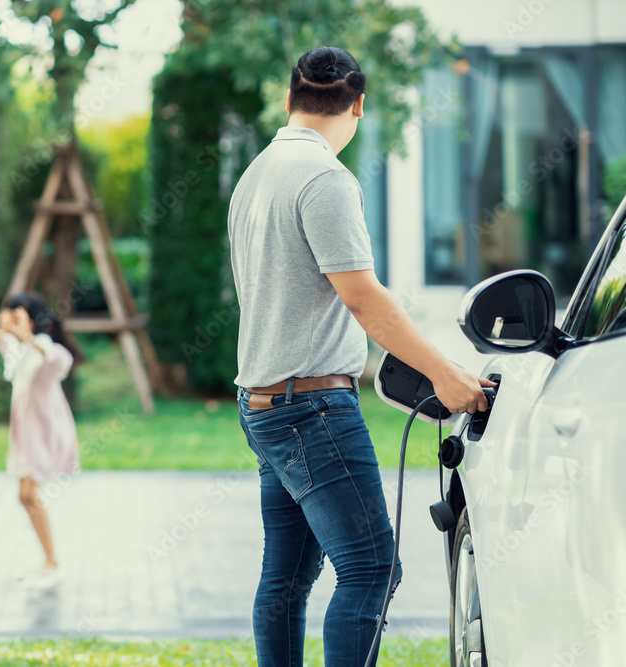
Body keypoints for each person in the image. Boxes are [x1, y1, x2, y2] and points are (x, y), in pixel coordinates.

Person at [228, 47, 496, 666]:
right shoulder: (324, 178)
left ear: (289, 100)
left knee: (287, 579)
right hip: (312, 409)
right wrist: (443, 372)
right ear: (358, 105)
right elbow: (362, 296)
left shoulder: (257, 174)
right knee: (372, 567)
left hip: (264, 405)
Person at [0, 292, 83, 589]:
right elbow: (0, 336)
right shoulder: (16, 347)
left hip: (46, 431)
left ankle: (51, 563)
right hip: (27, 432)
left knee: (29, 495)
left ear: (26, 317)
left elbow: (61, 359)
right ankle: (49, 561)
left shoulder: (43, 348)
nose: (3, 317)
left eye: (10, 312)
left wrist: (27, 336)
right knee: (25, 496)